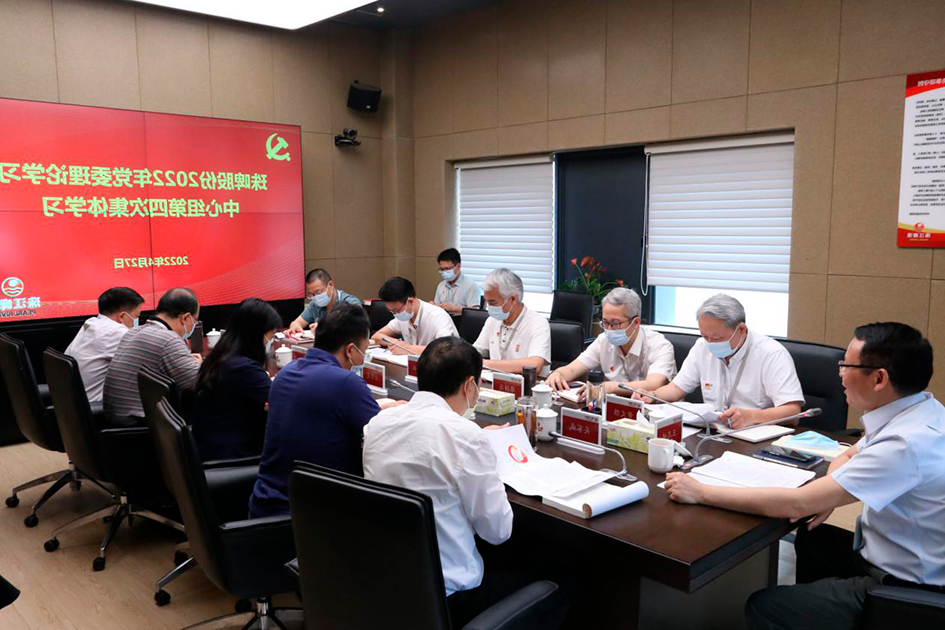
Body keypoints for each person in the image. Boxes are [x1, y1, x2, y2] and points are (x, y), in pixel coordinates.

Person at [663, 322, 945, 630]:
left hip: (910, 585)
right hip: (895, 550)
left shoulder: (904, 444)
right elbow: (848, 455)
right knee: (814, 538)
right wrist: (830, 494)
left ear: (879, 379)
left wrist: (700, 491)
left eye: (847, 365)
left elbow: (797, 503)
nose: (840, 373)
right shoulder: (918, 410)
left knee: (766, 607)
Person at [363, 337, 520, 627]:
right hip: (449, 596)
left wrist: (475, 444)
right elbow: (498, 532)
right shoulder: (465, 437)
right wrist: (485, 455)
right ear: (470, 385)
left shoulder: (377, 423)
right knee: (562, 582)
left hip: (388, 584)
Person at [249, 304, 403, 518]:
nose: (362, 357)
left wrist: (377, 406)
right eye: (364, 350)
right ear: (350, 350)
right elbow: (384, 438)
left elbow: (322, 411)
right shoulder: (346, 383)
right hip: (312, 519)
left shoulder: (286, 373)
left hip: (265, 506)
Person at [633, 293, 804, 429]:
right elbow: (677, 388)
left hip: (755, 434)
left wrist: (751, 416)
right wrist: (653, 396)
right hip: (714, 432)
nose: (710, 343)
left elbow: (793, 412)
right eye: (705, 336)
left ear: (741, 329)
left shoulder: (771, 354)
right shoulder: (702, 346)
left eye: (716, 338)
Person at [191, 298, 283, 461]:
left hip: (210, 447)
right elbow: (280, 401)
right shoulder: (243, 368)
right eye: (272, 335)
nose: (271, 341)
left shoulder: (222, 354)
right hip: (231, 456)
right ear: (258, 333)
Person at [546, 287, 675, 399]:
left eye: (615, 323)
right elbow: (572, 369)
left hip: (657, 412)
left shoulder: (660, 345)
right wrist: (558, 374)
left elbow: (654, 384)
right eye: (605, 322)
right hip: (616, 409)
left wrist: (611, 387)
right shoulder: (603, 340)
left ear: (635, 322)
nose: (609, 329)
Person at [103, 287, 201, 427]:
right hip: (139, 425)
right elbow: (196, 382)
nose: (194, 325)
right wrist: (200, 365)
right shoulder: (167, 339)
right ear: (185, 318)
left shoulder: (134, 332)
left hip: (116, 419)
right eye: (195, 321)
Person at [65, 287, 144, 404]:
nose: (137, 321)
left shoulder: (92, 323)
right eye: (136, 316)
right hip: (95, 405)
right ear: (122, 316)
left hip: (73, 401)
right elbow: (145, 366)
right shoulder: (116, 332)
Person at [473, 268, 551, 376]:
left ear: (513, 299)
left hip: (528, 384)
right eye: (487, 301)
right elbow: (475, 352)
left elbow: (534, 365)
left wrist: (485, 363)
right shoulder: (492, 321)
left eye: (492, 302)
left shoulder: (538, 323)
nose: (488, 307)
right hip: (494, 383)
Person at [371, 276, 458, 355]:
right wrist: (396, 343)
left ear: (410, 301)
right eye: (391, 311)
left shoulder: (437, 316)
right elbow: (376, 336)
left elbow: (446, 350)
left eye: (396, 310)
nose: (395, 314)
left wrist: (407, 348)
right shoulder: (403, 317)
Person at [287, 268, 361, 334]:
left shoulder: (350, 302)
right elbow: (297, 322)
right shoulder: (315, 304)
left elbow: (357, 323)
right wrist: (295, 327)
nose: (316, 297)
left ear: (331, 285)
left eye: (319, 292)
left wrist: (324, 326)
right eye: (312, 294)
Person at [432, 248, 480, 315]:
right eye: (442, 269)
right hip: (443, 319)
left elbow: (474, 312)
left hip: (462, 320)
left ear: (458, 266)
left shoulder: (471, 285)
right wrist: (432, 306)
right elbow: (437, 309)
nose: (444, 272)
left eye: (447, 269)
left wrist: (454, 308)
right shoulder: (441, 285)